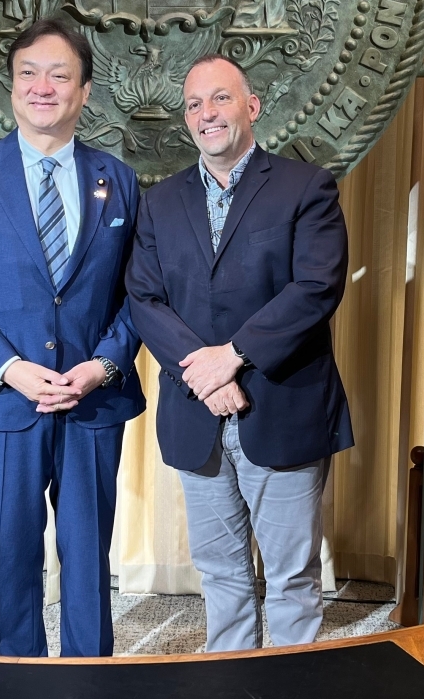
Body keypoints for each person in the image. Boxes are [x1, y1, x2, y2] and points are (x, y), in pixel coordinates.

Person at [0, 18, 144, 657]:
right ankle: (19, 677)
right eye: (28, 74)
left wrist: (103, 366)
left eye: (59, 75)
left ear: (84, 91)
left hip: (92, 399)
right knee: (13, 552)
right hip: (5, 401)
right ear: (12, 86)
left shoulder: (119, 179)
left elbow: (140, 293)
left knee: (88, 553)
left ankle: (90, 678)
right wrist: (11, 368)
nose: (42, 87)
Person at [126, 53, 352, 651]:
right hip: (196, 413)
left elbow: (317, 287)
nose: (208, 113)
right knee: (221, 576)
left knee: (291, 578)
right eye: (194, 104)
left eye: (221, 98)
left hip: (282, 408)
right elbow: (144, 298)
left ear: (251, 107)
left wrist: (234, 356)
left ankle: (292, 683)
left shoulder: (306, 187)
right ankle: (229, 680)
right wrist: (205, 373)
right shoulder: (159, 202)